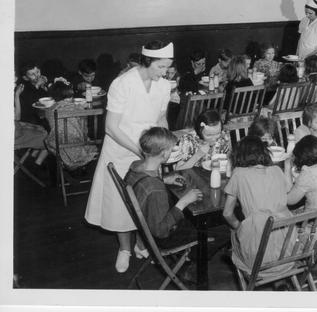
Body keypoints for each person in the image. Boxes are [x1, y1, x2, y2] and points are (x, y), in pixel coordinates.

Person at [85, 40, 174, 273]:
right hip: (122, 150)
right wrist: (139, 151)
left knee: (149, 201)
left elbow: (161, 117)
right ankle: (124, 248)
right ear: (148, 61)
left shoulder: (164, 86)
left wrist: (165, 141)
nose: (166, 72)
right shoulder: (122, 84)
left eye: (168, 67)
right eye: (162, 67)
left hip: (150, 152)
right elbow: (111, 127)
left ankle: (143, 243)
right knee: (120, 203)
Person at [222, 136, 295, 280]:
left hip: (257, 262)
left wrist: (239, 226)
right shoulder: (276, 170)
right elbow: (288, 187)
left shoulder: (239, 174)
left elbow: (227, 213)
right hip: (288, 252)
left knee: (232, 231)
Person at [124, 127, 203, 252]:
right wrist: (183, 202)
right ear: (164, 153)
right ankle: (191, 259)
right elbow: (161, 231)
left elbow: (143, 184)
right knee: (215, 230)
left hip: (146, 226)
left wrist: (165, 180)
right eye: (171, 150)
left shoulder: (136, 166)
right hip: (163, 238)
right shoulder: (156, 190)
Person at [44, 80, 99, 169]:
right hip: (80, 147)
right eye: (71, 97)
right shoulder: (77, 109)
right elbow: (84, 129)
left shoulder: (49, 111)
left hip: (60, 149)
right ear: (69, 98)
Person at [14, 75, 48, 165]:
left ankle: (33, 160)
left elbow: (16, 122)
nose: (16, 78)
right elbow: (17, 118)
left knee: (43, 129)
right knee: (52, 138)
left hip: (17, 130)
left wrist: (32, 127)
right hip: (15, 137)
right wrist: (16, 96)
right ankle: (37, 164)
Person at [17, 62, 49, 127]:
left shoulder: (43, 84)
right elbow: (31, 103)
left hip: (44, 117)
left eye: (37, 72)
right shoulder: (23, 88)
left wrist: (46, 87)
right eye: (32, 74)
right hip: (30, 122)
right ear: (25, 78)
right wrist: (37, 85)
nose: (37, 75)